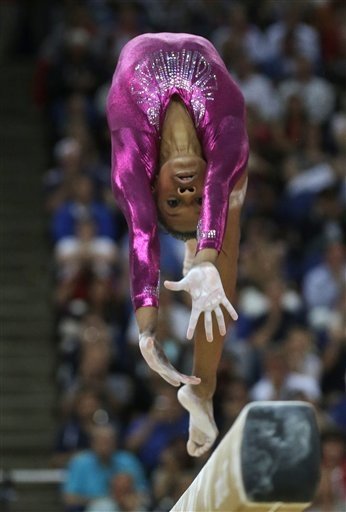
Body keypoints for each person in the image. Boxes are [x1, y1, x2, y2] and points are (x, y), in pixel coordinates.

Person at [106, 32, 249, 456]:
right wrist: (207, 260)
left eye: (174, 201)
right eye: (194, 198)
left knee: (222, 238)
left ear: (152, 192)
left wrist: (147, 333)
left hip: (138, 57)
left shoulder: (133, 164)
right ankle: (205, 390)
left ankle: (201, 388)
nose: (188, 192)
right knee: (233, 199)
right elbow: (217, 188)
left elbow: (143, 236)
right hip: (211, 88)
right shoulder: (227, 142)